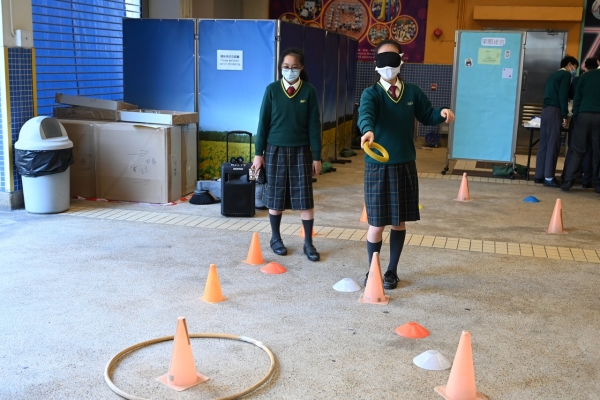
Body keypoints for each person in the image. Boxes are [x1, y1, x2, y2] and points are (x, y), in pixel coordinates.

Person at [357, 39, 455, 289]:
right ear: (376, 64)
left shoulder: (412, 92)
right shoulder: (371, 93)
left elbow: (427, 114)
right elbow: (366, 114)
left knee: (399, 221)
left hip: (404, 163)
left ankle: (392, 271)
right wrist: (368, 131)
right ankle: (373, 270)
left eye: (393, 58)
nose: (388, 65)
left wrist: (442, 112)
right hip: (378, 165)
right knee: (376, 223)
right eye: (383, 59)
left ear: (401, 60)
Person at [253, 48, 322, 262]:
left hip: (302, 151)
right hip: (275, 150)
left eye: (294, 67)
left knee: (305, 199)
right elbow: (263, 123)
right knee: (276, 198)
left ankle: (308, 243)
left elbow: (314, 126)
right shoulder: (272, 90)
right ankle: (275, 239)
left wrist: (317, 156)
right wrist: (258, 154)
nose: (290, 70)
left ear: (301, 68)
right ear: (280, 68)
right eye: (285, 67)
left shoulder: (309, 91)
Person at [534, 55, 579, 187]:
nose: (573, 70)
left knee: (544, 144)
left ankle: (539, 175)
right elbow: (562, 95)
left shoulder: (552, 75)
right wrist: (564, 115)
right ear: (569, 64)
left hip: (545, 111)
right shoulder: (565, 75)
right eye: (574, 67)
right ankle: (549, 178)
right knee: (553, 144)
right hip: (555, 111)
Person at [561, 57, 600, 193]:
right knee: (598, 152)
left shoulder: (585, 77)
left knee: (578, 150)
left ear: (598, 62)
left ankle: (568, 181)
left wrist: (577, 115)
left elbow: (577, 98)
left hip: (584, 116)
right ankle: (598, 185)